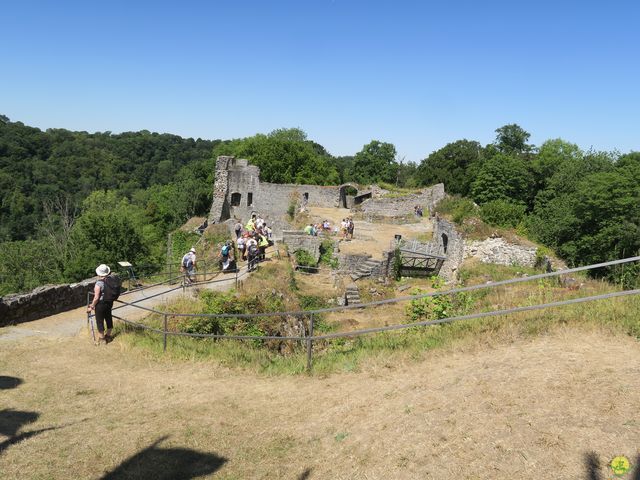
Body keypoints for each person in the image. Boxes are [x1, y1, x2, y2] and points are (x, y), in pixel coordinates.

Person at [87, 264, 115, 345]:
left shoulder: (98, 284)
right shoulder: (111, 280)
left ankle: (102, 339)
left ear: (99, 273)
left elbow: (96, 298)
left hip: (101, 304)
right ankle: (108, 336)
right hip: (109, 302)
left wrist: (91, 306)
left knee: (100, 321)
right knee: (108, 318)